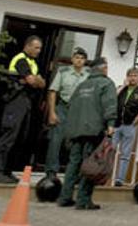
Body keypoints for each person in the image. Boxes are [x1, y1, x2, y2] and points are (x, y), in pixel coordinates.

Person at [56, 57, 116, 210]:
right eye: (107, 67)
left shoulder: (81, 85)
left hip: (76, 131)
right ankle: (83, 200)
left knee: (73, 164)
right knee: (90, 164)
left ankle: (65, 197)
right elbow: (109, 105)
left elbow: (71, 106)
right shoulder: (106, 83)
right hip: (94, 130)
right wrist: (110, 124)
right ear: (103, 68)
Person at [0, 35, 46, 184]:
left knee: (19, 137)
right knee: (9, 135)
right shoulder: (20, 59)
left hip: (26, 102)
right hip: (15, 101)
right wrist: (34, 80)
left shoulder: (32, 63)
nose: (39, 51)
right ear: (27, 46)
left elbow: (42, 83)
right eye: (36, 47)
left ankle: (7, 172)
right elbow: (32, 81)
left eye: (40, 48)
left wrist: (36, 80)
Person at [44, 47, 89, 180]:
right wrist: (52, 112)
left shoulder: (89, 75)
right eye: (77, 57)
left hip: (79, 112)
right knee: (56, 140)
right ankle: (51, 172)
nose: (79, 60)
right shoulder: (63, 72)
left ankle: (73, 173)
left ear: (85, 61)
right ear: (72, 59)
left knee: (76, 144)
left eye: (82, 58)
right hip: (63, 108)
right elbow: (53, 91)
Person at [113, 67, 138, 186]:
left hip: (129, 126)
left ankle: (120, 180)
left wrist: (136, 121)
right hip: (116, 125)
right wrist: (123, 86)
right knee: (109, 151)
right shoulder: (120, 88)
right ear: (127, 77)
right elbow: (112, 98)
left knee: (125, 154)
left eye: (135, 76)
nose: (133, 78)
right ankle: (104, 176)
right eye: (131, 75)